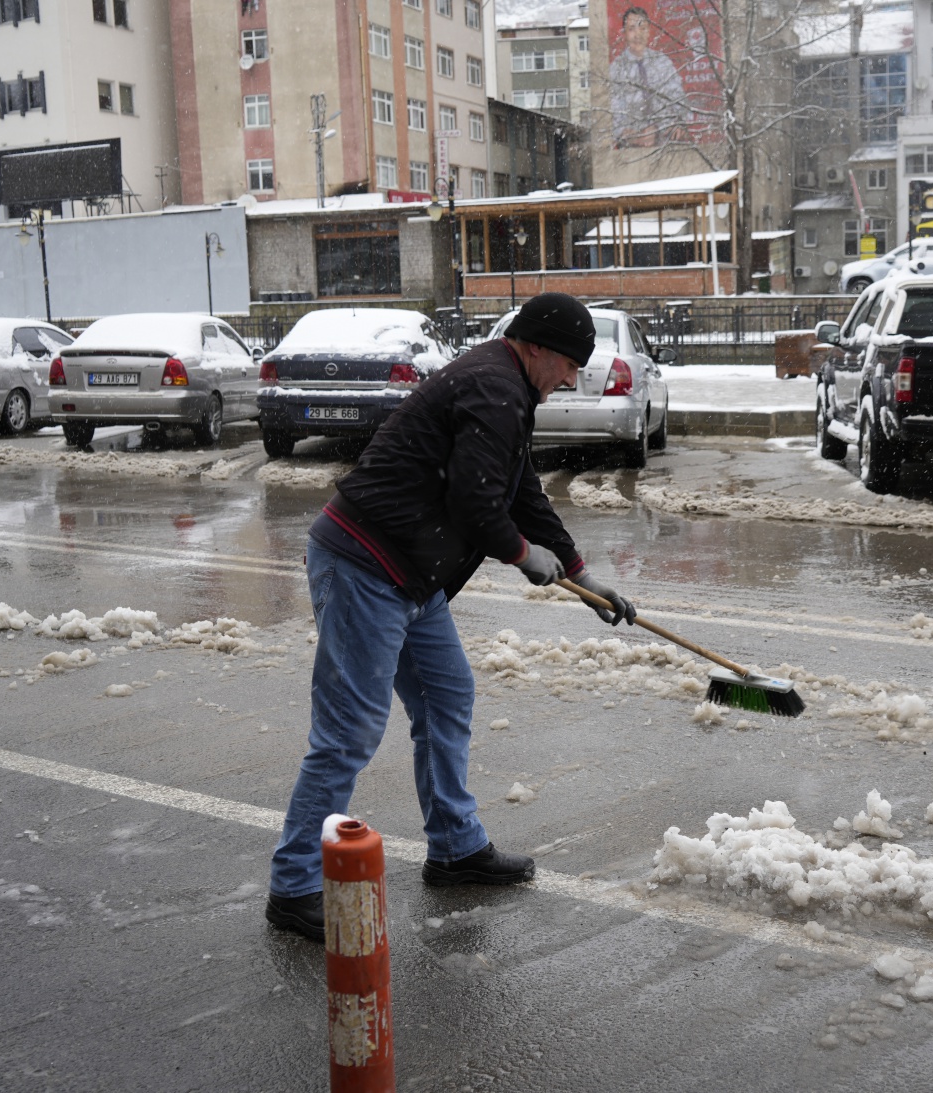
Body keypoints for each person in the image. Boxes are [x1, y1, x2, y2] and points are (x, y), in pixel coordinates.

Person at [265, 292, 639, 943]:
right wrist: (524, 555)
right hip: (364, 561)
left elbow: (519, 489)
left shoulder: (506, 388)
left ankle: (455, 847)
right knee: (349, 730)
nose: (571, 380)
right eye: (570, 365)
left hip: (411, 571)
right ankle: (294, 885)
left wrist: (580, 573)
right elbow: (476, 499)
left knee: (446, 695)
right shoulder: (495, 386)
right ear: (539, 349)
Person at [608, 5, 692, 148]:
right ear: (624, 34)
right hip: (630, 152)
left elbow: (680, 101)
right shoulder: (616, 69)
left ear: (649, 32)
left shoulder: (662, 62)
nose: (638, 35)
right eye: (632, 29)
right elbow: (612, 116)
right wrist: (633, 135)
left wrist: (678, 123)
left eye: (643, 28)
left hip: (666, 146)